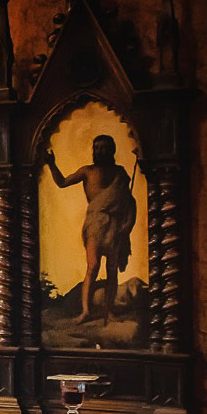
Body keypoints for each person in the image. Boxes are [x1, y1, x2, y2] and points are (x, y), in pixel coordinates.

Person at [46, 134, 137, 322]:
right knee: (93, 266)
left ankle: (109, 312)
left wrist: (128, 225)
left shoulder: (120, 173)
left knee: (112, 268)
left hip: (114, 225)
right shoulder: (87, 171)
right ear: (93, 150)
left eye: (105, 147)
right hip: (95, 224)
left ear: (112, 151)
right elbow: (62, 182)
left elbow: (130, 202)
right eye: (97, 148)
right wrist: (51, 164)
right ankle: (86, 311)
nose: (100, 151)